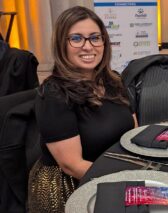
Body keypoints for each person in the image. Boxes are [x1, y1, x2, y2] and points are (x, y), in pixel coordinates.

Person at [28, 6, 137, 212]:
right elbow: (72, 165)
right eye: (76, 38)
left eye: (95, 37)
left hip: (114, 171)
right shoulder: (53, 94)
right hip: (68, 186)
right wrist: (127, 178)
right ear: (62, 45)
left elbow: (132, 133)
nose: (88, 46)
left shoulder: (113, 80)